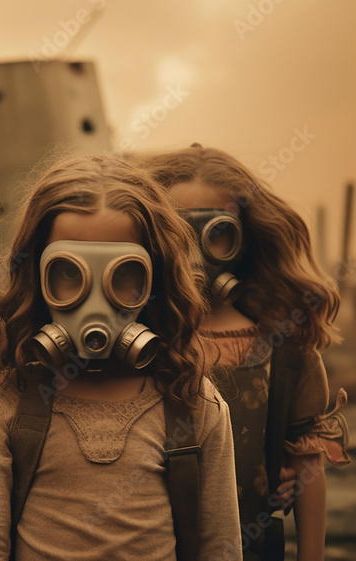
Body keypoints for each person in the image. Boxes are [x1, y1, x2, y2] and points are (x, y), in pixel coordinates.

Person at [0, 154, 242, 560]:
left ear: (156, 281)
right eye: (69, 274)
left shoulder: (195, 405)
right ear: (36, 279)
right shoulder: (5, 401)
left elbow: (221, 548)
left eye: (123, 275)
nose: (96, 306)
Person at [143, 144, 350, 561]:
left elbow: (306, 461)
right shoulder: (137, 340)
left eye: (217, 234)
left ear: (246, 239)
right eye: (179, 235)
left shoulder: (284, 346)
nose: (197, 254)